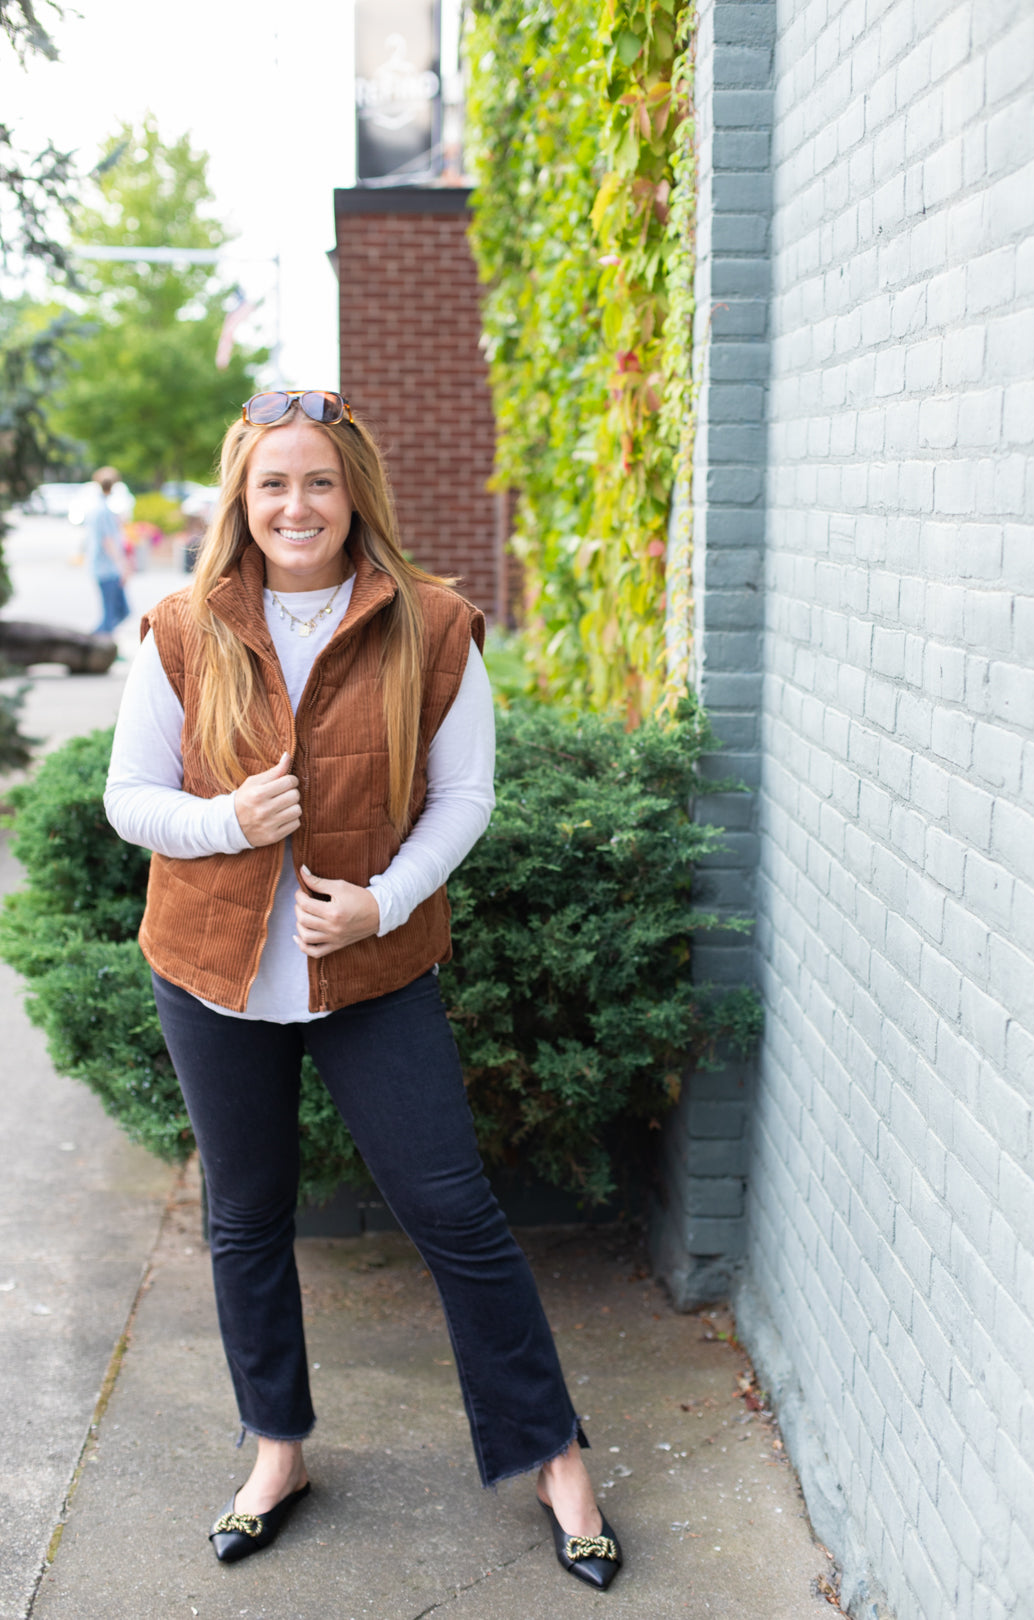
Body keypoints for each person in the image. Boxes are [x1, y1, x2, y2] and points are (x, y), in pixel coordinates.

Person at [103, 389, 622, 1591]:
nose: (297, 504)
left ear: (355, 496)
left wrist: (383, 904)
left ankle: (553, 1455)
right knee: (244, 1219)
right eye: (273, 482)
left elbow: (465, 800)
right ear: (243, 497)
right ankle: (276, 1449)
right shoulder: (183, 627)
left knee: (455, 1212)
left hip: (374, 972)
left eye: (320, 482)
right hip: (211, 972)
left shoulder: (431, 627)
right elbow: (131, 799)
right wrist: (225, 818)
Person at [85, 466, 131, 634]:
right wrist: (122, 566)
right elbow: (108, 541)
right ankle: (98, 642)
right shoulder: (102, 511)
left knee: (116, 612)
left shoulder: (100, 508)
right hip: (107, 568)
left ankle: (98, 641)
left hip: (103, 567)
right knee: (112, 613)